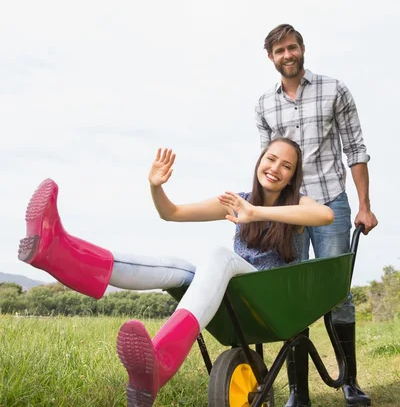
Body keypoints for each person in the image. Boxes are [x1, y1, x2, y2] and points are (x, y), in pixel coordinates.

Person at [18, 139, 333, 407]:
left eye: (286, 166)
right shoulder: (236, 201)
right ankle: (63, 255)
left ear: (292, 177)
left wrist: (255, 213)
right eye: (271, 159)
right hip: (239, 299)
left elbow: (325, 215)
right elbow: (172, 213)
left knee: (219, 256)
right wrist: (156, 187)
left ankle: (163, 358)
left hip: (271, 303)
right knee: (178, 268)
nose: (276, 169)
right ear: (259, 162)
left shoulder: (294, 207)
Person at [255, 24, 378, 407]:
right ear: (271, 58)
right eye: (279, 51)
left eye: (292, 48)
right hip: (289, 211)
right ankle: (297, 392)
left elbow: (355, 148)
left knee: (337, 295)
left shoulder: (334, 89)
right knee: (294, 296)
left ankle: (350, 383)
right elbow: (268, 164)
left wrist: (364, 205)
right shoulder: (264, 104)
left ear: (302, 49)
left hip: (331, 204)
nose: (287, 55)